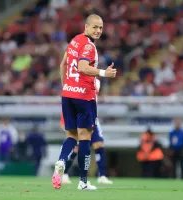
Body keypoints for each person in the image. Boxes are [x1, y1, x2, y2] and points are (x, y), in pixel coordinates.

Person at [52, 14, 116, 190]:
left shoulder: (74, 41)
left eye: (101, 28)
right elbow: (82, 67)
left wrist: (67, 86)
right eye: (95, 27)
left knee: (71, 136)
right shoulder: (89, 46)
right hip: (84, 96)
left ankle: (61, 161)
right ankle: (83, 182)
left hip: (68, 94)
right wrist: (104, 73)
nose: (98, 30)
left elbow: (63, 65)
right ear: (86, 27)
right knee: (85, 138)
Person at [61, 79, 113, 184]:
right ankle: (64, 173)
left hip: (91, 118)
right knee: (76, 148)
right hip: (79, 118)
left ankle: (102, 175)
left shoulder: (95, 81)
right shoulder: (75, 82)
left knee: (99, 144)